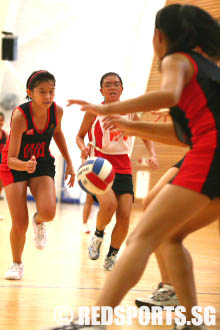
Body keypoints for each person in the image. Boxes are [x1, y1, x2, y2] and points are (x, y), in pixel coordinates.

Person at [51, 4, 220, 330]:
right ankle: (191, 321)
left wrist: (107, 107)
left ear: (159, 36)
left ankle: (93, 321)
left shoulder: (176, 60)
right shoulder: (209, 69)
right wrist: (133, 127)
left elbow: (168, 95)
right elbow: (185, 135)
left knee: (142, 236)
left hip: (210, 157)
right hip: (209, 153)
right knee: (170, 237)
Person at [71, 72, 159, 271]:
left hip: (124, 167)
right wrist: (82, 148)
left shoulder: (130, 111)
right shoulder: (94, 111)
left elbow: (144, 133)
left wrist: (152, 153)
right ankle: (98, 235)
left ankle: (112, 254)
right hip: (100, 166)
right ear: (101, 90)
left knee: (125, 215)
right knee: (109, 205)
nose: (112, 87)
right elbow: (79, 136)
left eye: (116, 84)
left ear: (122, 89)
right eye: (108, 84)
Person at [0, 70, 75, 280]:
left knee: (49, 212)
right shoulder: (19, 116)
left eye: (51, 91)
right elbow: (10, 158)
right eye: (42, 92)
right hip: (14, 164)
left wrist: (69, 162)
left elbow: (57, 133)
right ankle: (16, 264)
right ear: (29, 93)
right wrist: (25, 166)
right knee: (20, 222)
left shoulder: (56, 111)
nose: (48, 97)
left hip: (41, 161)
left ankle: (39, 221)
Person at [0, 112, 8, 199]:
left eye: (1, 120)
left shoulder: (5, 134)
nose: (0, 122)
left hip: (1, 161)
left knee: (1, 180)